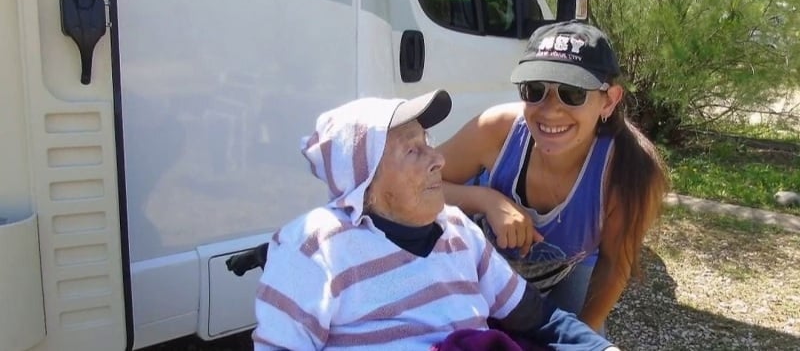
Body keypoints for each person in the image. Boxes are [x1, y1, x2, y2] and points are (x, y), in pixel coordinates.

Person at [252, 89, 619, 350]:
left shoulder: (458, 230)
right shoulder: (316, 249)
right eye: (413, 150)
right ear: (364, 180)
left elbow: (537, 317)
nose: (439, 160)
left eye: (428, 142)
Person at [437, 20, 669, 333]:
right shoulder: (497, 130)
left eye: (571, 93)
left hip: (564, 274)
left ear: (609, 100)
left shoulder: (629, 172)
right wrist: (486, 201)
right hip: (475, 268)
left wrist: (582, 336)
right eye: (535, 90)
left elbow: (615, 264)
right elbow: (416, 186)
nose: (549, 111)